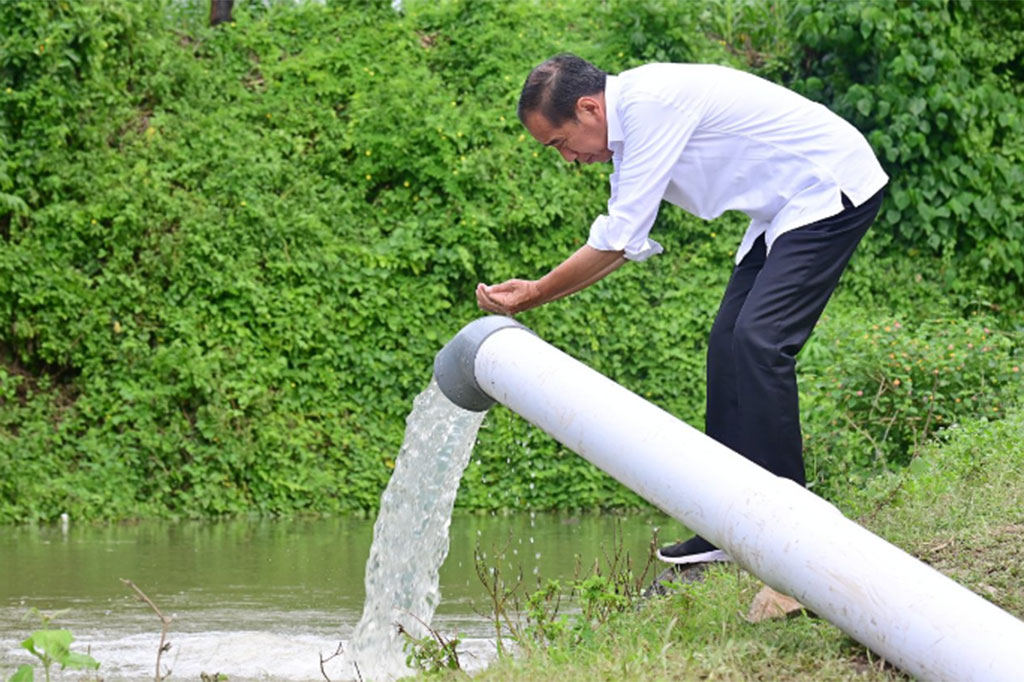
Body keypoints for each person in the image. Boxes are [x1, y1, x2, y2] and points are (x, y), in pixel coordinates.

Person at [476, 54, 888, 565]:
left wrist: (534, 292)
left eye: (560, 143)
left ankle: (793, 536)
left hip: (831, 184)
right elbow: (621, 244)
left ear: (588, 109)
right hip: (782, 208)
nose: (568, 159)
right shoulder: (629, 133)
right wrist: (539, 294)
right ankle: (725, 524)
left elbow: (617, 241)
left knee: (759, 341)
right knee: (726, 347)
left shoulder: (650, 107)